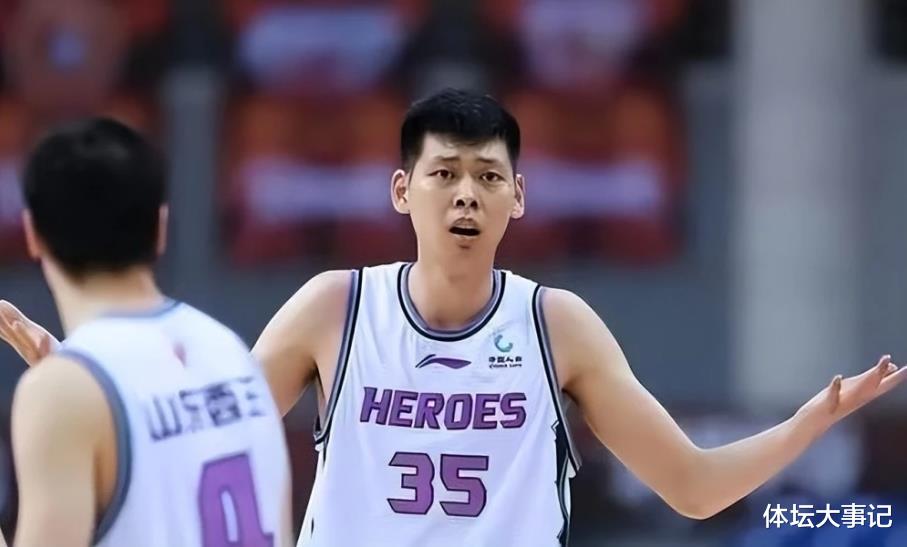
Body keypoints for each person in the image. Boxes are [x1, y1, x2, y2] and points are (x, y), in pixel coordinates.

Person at [1, 90, 904, 547]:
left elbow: (693, 487)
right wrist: (92, 383)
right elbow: (206, 431)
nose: (465, 193)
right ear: (403, 190)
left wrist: (807, 421)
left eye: (486, 176)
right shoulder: (335, 306)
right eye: (444, 174)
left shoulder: (557, 325)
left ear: (519, 195)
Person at [0, 118, 291, 547]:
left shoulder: (62, 391)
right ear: (160, 226)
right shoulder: (228, 350)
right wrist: (87, 398)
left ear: (33, 234)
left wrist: (73, 394)